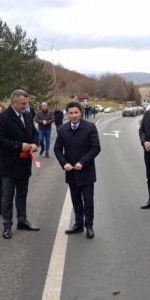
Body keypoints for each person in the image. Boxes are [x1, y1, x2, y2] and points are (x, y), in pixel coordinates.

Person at [0, 89, 40, 239]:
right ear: (14, 102)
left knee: (22, 194)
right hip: (9, 165)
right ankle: (7, 225)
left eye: (26, 103)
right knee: (7, 196)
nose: (26, 106)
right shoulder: (2, 118)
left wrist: (34, 144)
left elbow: (34, 133)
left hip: (24, 163)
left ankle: (22, 220)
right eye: (23, 103)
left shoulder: (26, 116)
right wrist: (19, 145)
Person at [54, 101, 101, 238]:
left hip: (86, 172)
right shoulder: (62, 129)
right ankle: (78, 224)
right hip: (71, 172)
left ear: (81, 112)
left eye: (76, 112)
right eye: (71, 113)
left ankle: (89, 226)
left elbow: (96, 148)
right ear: (67, 114)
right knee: (76, 200)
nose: (74, 115)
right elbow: (57, 149)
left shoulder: (90, 127)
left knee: (88, 201)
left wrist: (82, 162)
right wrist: (64, 163)